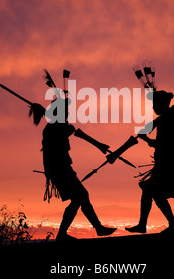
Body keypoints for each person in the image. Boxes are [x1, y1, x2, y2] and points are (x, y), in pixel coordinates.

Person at [110, 90, 174, 234]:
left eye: (154, 104)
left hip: (169, 165)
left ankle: (150, 225)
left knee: (150, 191)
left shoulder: (170, 119)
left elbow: (171, 143)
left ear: (161, 104)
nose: (153, 107)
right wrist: (147, 138)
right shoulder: (165, 118)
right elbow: (145, 130)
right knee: (154, 193)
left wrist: (150, 141)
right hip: (165, 164)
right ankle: (166, 225)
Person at [42, 98, 117, 241]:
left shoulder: (56, 127)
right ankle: (95, 228)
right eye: (65, 111)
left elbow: (74, 133)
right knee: (81, 196)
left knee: (79, 198)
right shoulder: (53, 128)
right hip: (59, 170)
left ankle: (68, 233)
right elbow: (64, 135)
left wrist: (99, 145)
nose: (68, 114)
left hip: (61, 169)